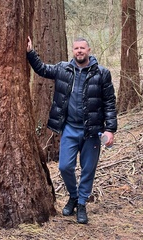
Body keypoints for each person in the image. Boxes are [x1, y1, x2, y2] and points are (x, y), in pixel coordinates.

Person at [26, 36, 117, 224]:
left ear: (89, 50)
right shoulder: (63, 69)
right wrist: (30, 52)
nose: (79, 51)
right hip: (70, 128)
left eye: (82, 48)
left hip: (92, 131)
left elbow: (109, 102)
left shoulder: (102, 73)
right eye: (76, 48)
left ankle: (82, 204)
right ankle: (74, 196)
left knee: (88, 169)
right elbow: (42, 69)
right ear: (73, 51)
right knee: (65, 166)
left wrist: (110, 129)